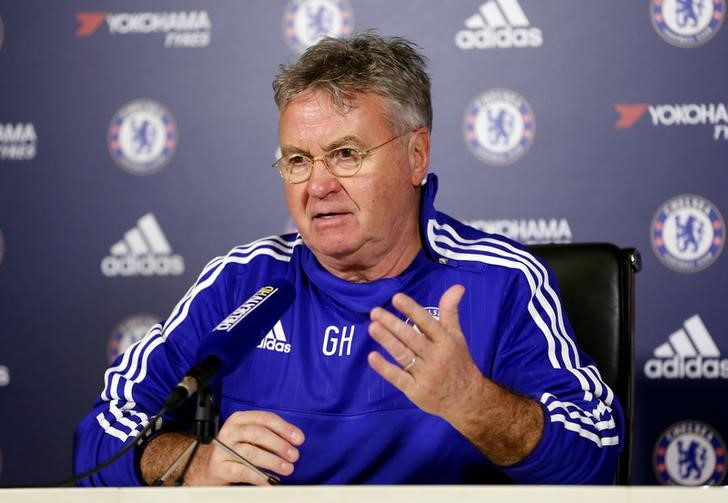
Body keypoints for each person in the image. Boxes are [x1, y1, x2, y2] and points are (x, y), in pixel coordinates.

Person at [74, 33, 622, 486]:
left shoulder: (498, 283)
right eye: (296, 160)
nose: (318, 185)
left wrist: (472, 402)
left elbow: (598, 456)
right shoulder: (242, 283)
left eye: (345, 154)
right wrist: (189, 463)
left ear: (416, 155)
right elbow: (99, 438)